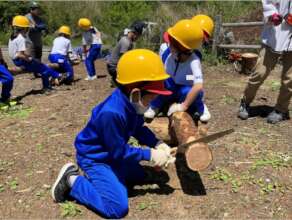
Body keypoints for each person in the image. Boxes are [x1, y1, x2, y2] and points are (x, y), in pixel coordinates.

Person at [51, 49, 176, 218]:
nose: (153, 102)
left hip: (111, 154)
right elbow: (119, 152)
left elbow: (138, 128)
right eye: (151, 98)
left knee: (141, 175)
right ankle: (72, 181)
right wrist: (150, 154)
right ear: (136, 92)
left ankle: (111, 176)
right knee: (117, 207)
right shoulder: (112, 113)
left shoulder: (131, 103)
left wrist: (157, 144)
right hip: (96, 158)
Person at [144, 19, 211, 122]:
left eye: (171, 43)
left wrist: (183, 106)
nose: (168, 45)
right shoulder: (168, 54)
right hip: (172, 82)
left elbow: (198, 85)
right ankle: (154, 106)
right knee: (165, 84)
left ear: (182, 47)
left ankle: (200, 108)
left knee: (191, 91)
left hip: (185, 83)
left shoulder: (194, 59)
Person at [238, 0, 292, 124]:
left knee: (290, 78)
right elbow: (268, 2)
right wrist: (272, 15)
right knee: (260, 73)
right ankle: (245, 103)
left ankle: (281, 110)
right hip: (274, 34)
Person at [8, 15, 60, 93]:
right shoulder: (21, 38)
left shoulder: (13, 36)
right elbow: (20, 54)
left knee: (41, 65)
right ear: (25, 28)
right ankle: (53, 80)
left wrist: (28, 57)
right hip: (20, 61)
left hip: (16, 60)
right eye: (27, 28)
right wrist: (29, 59)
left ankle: (56, 76)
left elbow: (16, 52)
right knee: (44, 68)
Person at [107, 21, 146, 85]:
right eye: (138, 36)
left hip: (114, 66)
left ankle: (115, 80)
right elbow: (124, 59)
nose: (138, 38)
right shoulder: (126, 42)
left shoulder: (128, 40)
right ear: (134, 33)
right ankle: (115, 80)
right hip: (113, 68)